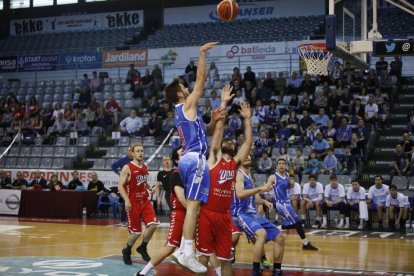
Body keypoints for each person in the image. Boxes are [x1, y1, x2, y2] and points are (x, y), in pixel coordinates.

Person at [163, 42, 219, 273]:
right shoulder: (186, 105)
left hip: (192, 158)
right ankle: (186, 251)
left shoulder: (186, 112)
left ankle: (184, 250)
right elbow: (201, 80)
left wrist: (214, 121)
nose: (187, 88)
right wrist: (202, 54)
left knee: (196, 205)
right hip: (194, 159)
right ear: (179, 93)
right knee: (194, 206)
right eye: (183, 87)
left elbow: (205, 132)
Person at [196, 90, 252, 276]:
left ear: (234, 147)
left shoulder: (234, 164)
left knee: (226, 259)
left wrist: (247, 120)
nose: (226, 141)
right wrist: (223, 102)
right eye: (224, 141)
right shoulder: (214, 158)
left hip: (224, 216)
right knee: (202, 259)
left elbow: (248, 143)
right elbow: (218, 131)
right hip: (207, 213)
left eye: (230, 140)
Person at [232, 155, 285, 276]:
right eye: (244, 156)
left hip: (252, 214)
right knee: (261, 234)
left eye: (249, 156)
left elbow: (253, 196)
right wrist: (261, 188)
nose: (247, 157)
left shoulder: (249, 175)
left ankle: (277, 270)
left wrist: (264, 201)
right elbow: (240, 194)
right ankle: (256, 270)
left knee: (280, 237)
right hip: (240, 213)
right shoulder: (238, 175)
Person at [136, 147, 185, 276]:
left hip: (188, 210)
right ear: (176, 159)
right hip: (178, 205)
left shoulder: (186, 172)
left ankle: (183, 251)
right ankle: (143, 272)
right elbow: (158, 186)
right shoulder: (173, 173)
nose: (166, 161)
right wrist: (157, 197)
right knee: (170, 245)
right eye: (182, 154)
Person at [118, 143, 159, 265]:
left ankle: (142, 247)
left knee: (153, 224)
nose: (140, 153)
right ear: (132, 153)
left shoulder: (145, 167)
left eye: (142, 151)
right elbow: (120, 186)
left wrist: (149, 188)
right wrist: (126, 200)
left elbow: (143, 181)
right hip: (133, 203)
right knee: (136, 232)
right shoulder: (127, 167)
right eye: (138, 151)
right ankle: (127, 250)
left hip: (145, 201)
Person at [266, 159, 318, 250]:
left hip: (287, 203)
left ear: (285, 166)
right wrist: (268, 189)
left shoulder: (287, 175)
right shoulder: (273, 177)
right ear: (277, 166)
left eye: (283, 164)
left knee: (296, 222)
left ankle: (274, 228)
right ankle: (305, 244)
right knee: (297, 221)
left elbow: (288, 187)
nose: (281, 165)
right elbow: (267, 187)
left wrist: (291, 184)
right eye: (279, 164)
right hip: (281, 204)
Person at [111, 147, 133, 226]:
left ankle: (133, 220)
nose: (130, 152)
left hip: (133, 185)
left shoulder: (136, 160)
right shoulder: (123, 160)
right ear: (128, 151)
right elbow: (113, 166)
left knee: (134, 202)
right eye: (129, 150)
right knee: (125, 202)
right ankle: (123, 220)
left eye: (131, 150)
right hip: (125, 185)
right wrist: (118, 173)